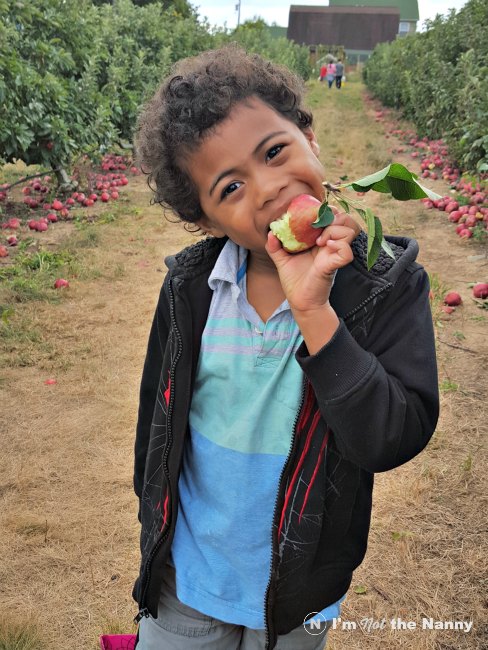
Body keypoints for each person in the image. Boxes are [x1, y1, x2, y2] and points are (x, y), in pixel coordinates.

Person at [132, 44, 439, 650]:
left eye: (274, 152)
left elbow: (391, 436)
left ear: (310, 137)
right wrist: (154, 520)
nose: (268, 188)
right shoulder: (193, 290)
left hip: (302, 591)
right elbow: (157, 420)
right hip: (188, 580)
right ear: (208, 222)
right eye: (230, 187)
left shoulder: (385, 283)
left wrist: (315, 313)